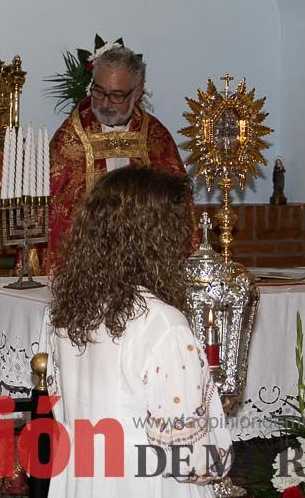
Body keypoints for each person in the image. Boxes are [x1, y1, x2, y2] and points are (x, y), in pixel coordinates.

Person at [46, 166, 231, 497]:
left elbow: (61, 408)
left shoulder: (70, 311)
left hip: (84, 476)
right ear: (157, 238)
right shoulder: (163, 324)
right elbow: (188, 458)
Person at [47, 45, 187, 256]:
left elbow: (178, 206)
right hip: (85, 261)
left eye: (116, 95)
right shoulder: (70, 139)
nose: (104, 103)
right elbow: (54, 215)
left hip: (144, 258)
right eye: (99, 91)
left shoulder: (156, 139)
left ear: (137, 93)